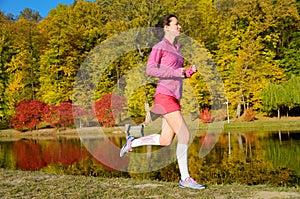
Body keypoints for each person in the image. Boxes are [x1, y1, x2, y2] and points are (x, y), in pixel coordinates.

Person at [120, 14, 205, 190]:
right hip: (165, 96)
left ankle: (132, 142)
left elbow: (176, 72)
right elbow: (150, 69)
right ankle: (185, 178)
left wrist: (188, 72)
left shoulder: (177, 48)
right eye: (176, 24)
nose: (180, 26)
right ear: (166, 27)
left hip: (174, 96)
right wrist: (177, 72)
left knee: (166, 139)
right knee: (185, 134)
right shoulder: (160, 47)